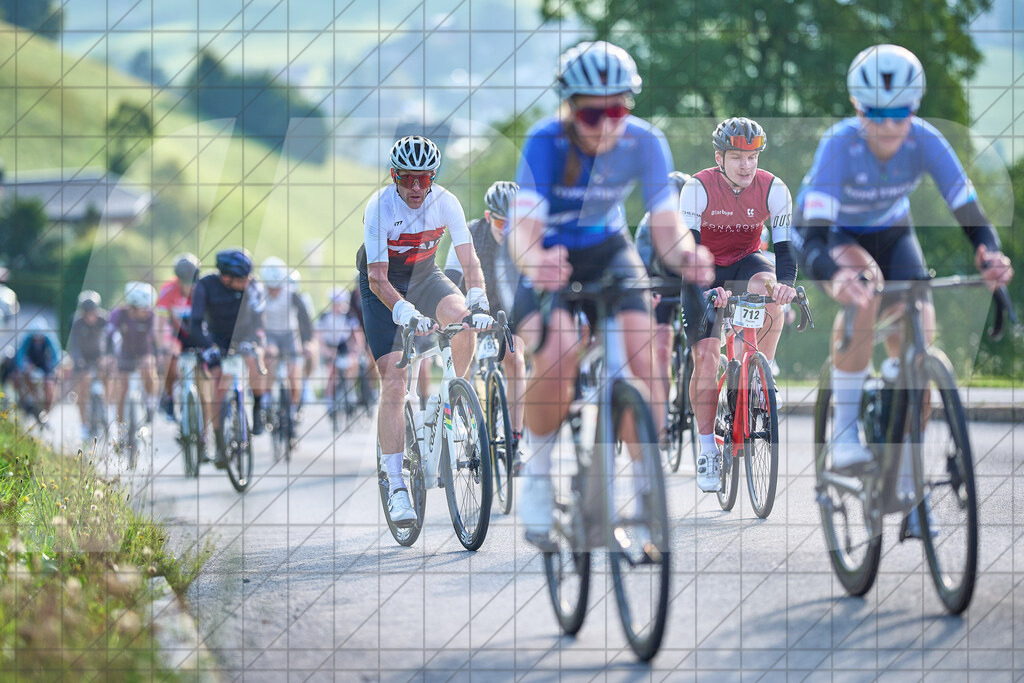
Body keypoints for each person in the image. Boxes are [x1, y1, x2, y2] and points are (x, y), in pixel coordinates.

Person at [791, 44, 1012, 533]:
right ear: (857, 109)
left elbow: (969, 211)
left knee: (919, 339)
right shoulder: (839, 143)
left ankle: (907, 478)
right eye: (876, 114)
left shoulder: (927, 140)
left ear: (914, 108)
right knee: (864, 288)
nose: (889, 126)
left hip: (892, 229)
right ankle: (846, 431)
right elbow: (819, 235)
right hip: (830, 232)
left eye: (901, 113)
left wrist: (989, 254)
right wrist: (834, 275)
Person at [508, 41, 714, 546]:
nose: (605, 124)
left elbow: (666, 227)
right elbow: (522, 230)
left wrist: (686, 255)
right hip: (551, 252)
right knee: (556, 352)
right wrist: (536, 260)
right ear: (571, 107)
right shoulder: (545, 141)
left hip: (607, 247)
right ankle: (536, 477)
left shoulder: (645, 142)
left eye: (617, 110)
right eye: (592, 112)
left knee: (646, 356)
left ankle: (647, 489)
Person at [358, 134, 493, 526]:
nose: (416, 187)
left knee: (463, 318)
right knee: (397, 381)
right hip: (383, 287)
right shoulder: (380, 207)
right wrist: (406, 313)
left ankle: (457, 397)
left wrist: (479, 301)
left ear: (433, 177)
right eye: (407, 178)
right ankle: (396, 482)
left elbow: (470, 263)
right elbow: (377, 277)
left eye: (424, 178)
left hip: (424, 276)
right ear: (393, 176)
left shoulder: (445, 202)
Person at [679, 117, 797, 492]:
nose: (746, 166)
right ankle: (706, 451)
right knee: (708, 358)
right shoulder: (696, 188)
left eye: (752, 157)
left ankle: (764, 373)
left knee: (771, 288)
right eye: (737, 158)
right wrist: (708, 290)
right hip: (703, 269)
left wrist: (787, 286)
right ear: (720, 157)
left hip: (748, 261)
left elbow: (784, 250)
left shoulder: (774, 188)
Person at [444, 180, 527, 460]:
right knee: (463, 360)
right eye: (503, 223)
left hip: (508, 309)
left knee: (516, 359)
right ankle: (467, 429)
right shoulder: (470, 233)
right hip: (473, 306)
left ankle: (515, 440)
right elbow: (451, 282)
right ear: (490, 217)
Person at [189, 248, 268, 465]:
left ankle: (259, 405)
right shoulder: (205, 286)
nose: (248, 280)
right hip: (215, 339)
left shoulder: (252, 285)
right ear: (225, 277)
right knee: (219, 382)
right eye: (242, 278)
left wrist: (255, 341)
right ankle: (219, 440)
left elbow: (260, 322)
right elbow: (195, 325)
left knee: (255, 359)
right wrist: (208, 347)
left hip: (246, 334)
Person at [634, 170, 692, 446]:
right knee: (660, 347)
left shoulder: (698, 218)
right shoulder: (649, 225)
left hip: (689, 283)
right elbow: (642, 266)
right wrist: (648, 292)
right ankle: (661, 425)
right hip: (660, 285)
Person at [259, 257, 314, 424]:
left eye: (277, 287)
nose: (274, 291)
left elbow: (304, 319)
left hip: (290, 334)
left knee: (293, 373)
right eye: (271, 287)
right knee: (270, 362)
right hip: (270, 334)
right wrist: (263, 343)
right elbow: (255, 319)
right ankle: (267, 402)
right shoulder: (260, 294)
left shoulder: (291, 294)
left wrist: (306, 342)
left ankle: (292, 411)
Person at [156, 253, 200, 419]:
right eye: (184, 280)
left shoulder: (203, 289)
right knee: (170, 359)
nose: (188, 285)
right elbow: (159, 324)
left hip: (196, 333)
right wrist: (162, 346)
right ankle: (169, 397)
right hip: (175, 334)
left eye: (192, 280)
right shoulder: (168, 290)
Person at [68, 290, 110, 441]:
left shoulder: (104, 319)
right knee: (82, 389)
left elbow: (111, 340)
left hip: (100, 357)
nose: (90, 315)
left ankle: (108, 410)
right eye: (87, 312)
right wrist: (79, 360)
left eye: (93, 311)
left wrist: (107, 357)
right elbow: (74, 345)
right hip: (83, 360)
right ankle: (84, 425)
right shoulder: (77, 323)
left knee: (109, 377)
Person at [317, 287, 364, 415]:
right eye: (334, 304)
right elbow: (319, 336)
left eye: (339, 304)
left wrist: (357, 349)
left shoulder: (349, 316)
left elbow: (357, 334)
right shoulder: (325, 316)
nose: (337, 307)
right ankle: (330, 403)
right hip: (329, 345)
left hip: (343, 345)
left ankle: (351, 392)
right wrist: (326, 350)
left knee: (352, 365)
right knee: (332, 373)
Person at [13, 317, 61, 419]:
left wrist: (54, 368)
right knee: (23, 377)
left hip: (45, 364)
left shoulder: (49, 337)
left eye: (40, 338)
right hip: (32, 364)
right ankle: (31, 399)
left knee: (49, 384)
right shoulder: (27, 339)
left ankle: (46, 412)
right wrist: (24, 367)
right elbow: (20, 355)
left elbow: (56, 354)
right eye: (35, 338)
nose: (38, 340)